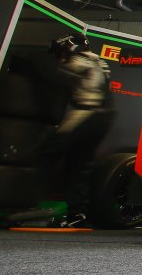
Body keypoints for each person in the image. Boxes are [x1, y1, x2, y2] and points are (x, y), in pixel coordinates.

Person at [42, 34, 114, 226]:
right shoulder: (100, 61)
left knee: (45, 155)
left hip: (86, 114)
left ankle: (22, 201)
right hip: (104, 117)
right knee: (78, 166)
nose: (60, 58)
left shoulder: (79, 60)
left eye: (60, 54)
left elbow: (56, 78)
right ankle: (78, 214)